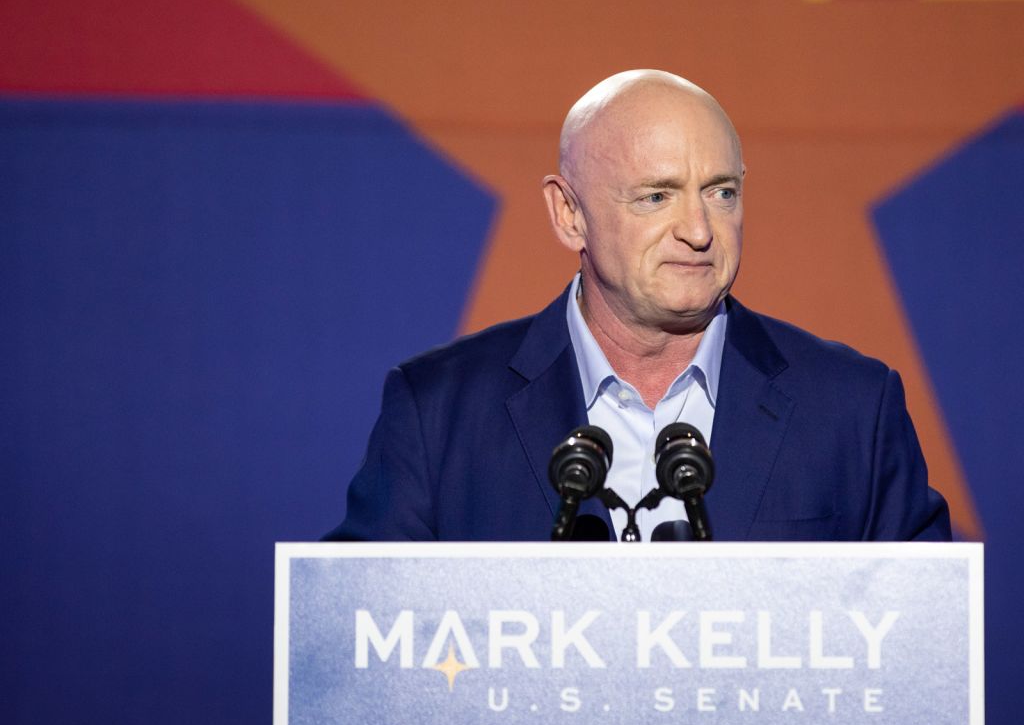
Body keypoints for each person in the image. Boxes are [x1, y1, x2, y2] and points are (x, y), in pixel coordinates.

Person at [327, 70, 950, 541]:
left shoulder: (852, 410)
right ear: (570, 214)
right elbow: (357, 656)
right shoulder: (438, 414)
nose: (701, 230)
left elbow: (923, 662)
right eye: (657, 197)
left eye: (722, 191)